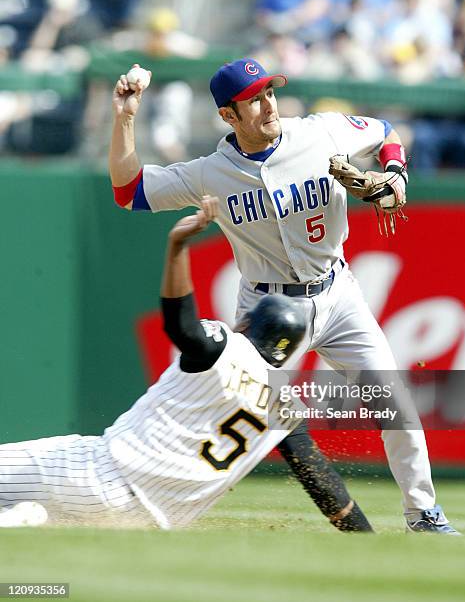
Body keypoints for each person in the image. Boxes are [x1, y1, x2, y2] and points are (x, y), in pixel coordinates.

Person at [108, 59, 459, 535]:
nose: (267, 103)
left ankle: (425, 517)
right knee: (228, 410)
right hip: (266, 311)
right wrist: (125, 118)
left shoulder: (322, 133)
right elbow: (128, 190)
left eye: (270, 92)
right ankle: (151, 493)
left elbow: (385, 132)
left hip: (337, 296)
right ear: (228, 117)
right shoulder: (211, 172)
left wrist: (395, 176)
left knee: (394, 403)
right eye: (253, 99)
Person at [0, 196, 372, 532]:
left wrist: (177, 246)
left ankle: (23, 518)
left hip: (97, 473)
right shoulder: (285, 405)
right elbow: (323, 483)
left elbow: (179, 324)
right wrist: (367, 540)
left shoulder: (227, 349)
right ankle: (23, 520)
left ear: (248, 325)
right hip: (146, 525)